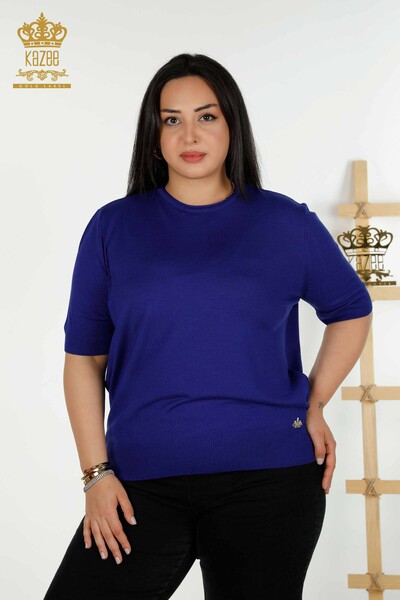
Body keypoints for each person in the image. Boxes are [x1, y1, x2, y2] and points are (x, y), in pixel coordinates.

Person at [43, 53, 373, 600]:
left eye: (207, 116)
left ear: (231, 125)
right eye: (171, 120)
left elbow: (351, 309)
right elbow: (84, 358)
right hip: (139, 486)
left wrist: (314, 402)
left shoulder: (285, 223)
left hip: (270, 481)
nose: (189, 135)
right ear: (154, 137)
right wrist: (95, 474)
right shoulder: (112, 228)